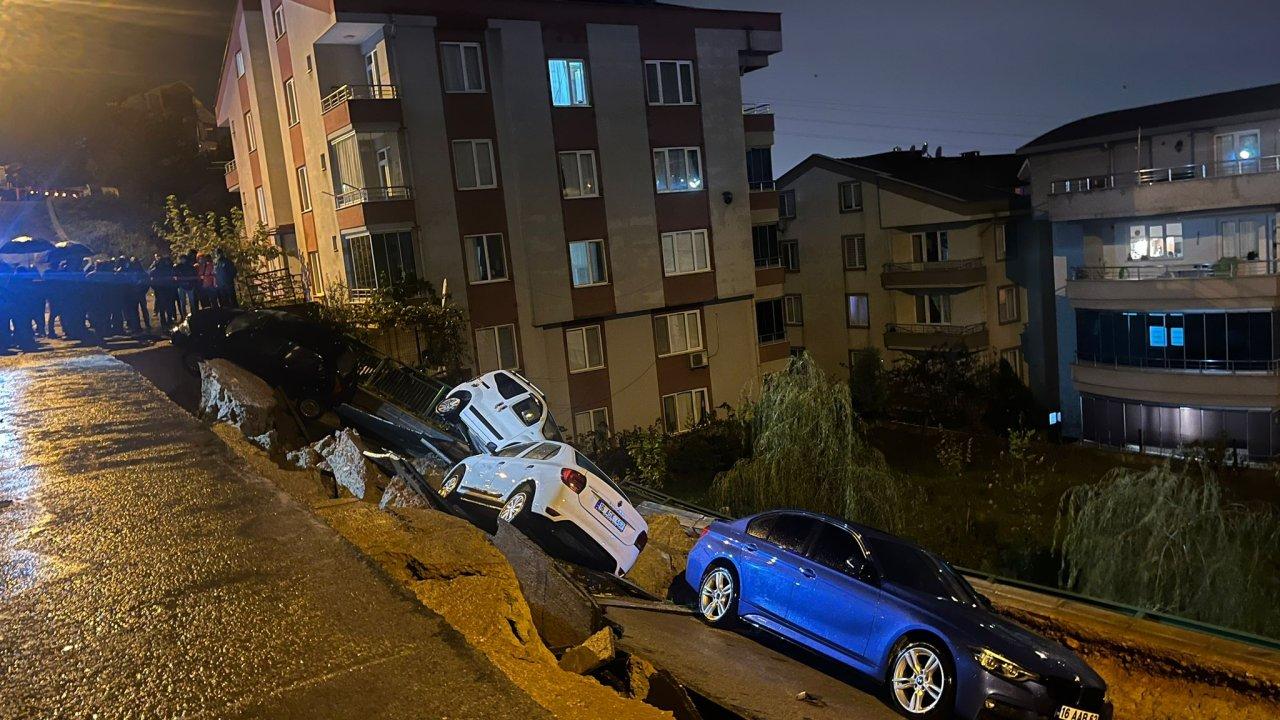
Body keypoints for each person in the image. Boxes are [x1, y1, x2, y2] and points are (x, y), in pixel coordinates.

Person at [150, 254, 178, 328]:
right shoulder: (168, 269)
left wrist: (155, 288)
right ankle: (168, 320)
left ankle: (164, 322)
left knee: (162, 307)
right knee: (168, 306)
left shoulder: (156, 270)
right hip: (167, 290)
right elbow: (174, 279)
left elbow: (151, 280)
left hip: (161, 290)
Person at [174, 251, 197, 318]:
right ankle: (184, 317)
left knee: (191, 302)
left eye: (183, 259)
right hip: (182, 286)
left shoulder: (190, 266)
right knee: (183, 302)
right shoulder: (178, 266)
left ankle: (193, 316)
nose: (182, 260)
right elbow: (175, 275)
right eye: (181, 259)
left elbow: (194, 274)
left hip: (189, 286)